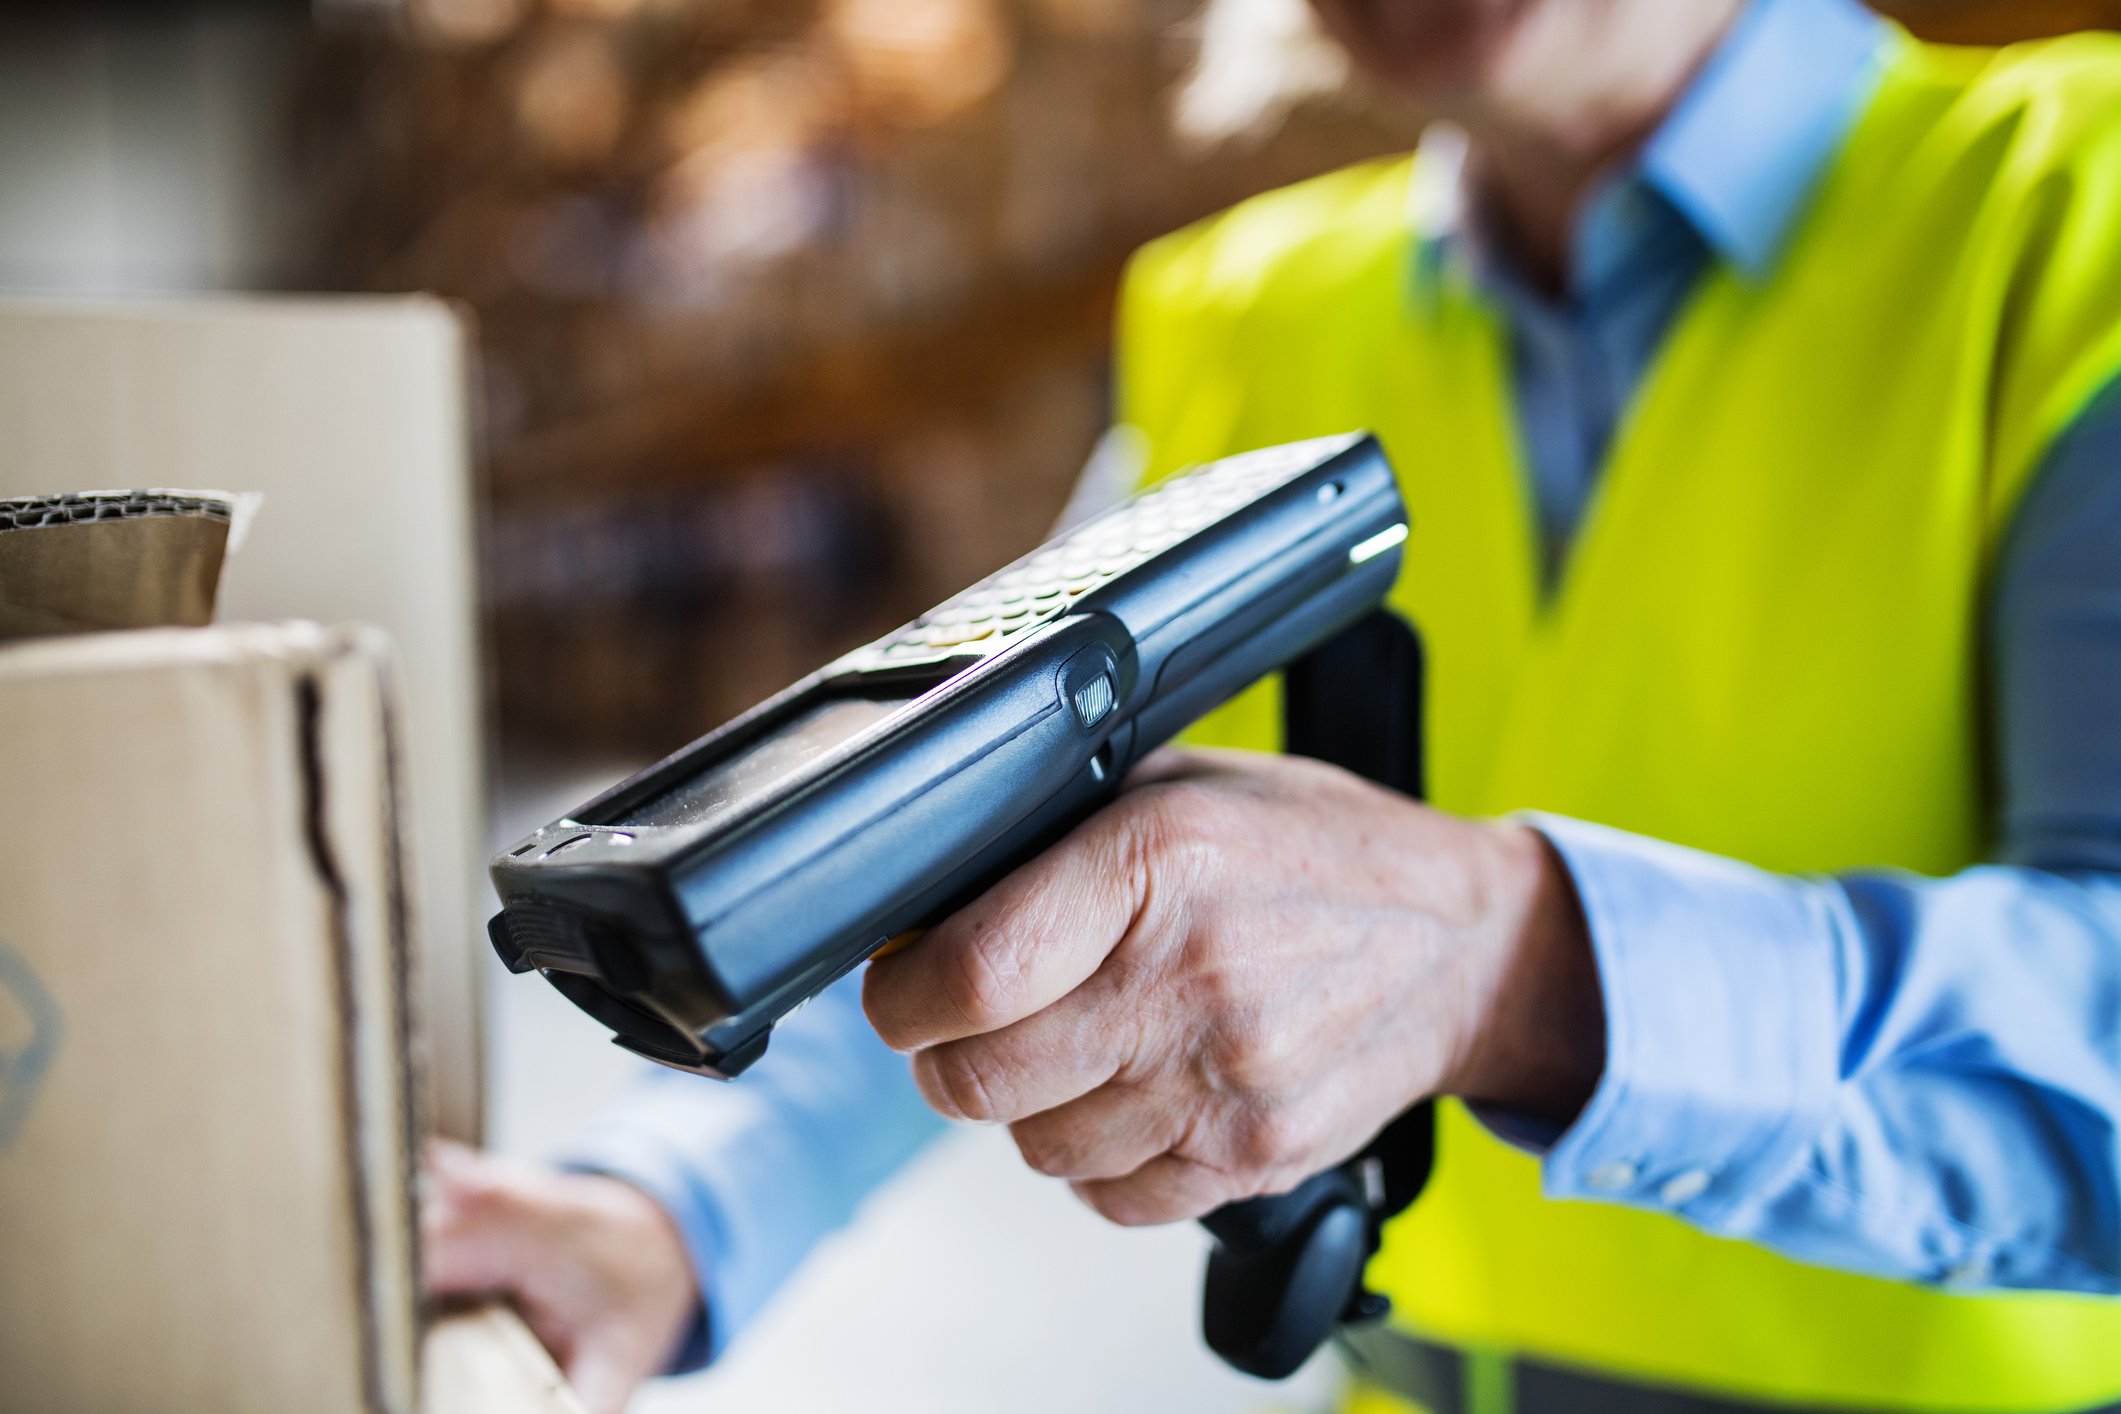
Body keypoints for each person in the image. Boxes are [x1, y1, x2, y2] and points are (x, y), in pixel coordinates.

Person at [428, 0, 2121, 1409]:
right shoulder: (1248, 314)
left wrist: (1517, 964)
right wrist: (666, 1209)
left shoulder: (2075, 210)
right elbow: (986, 862)